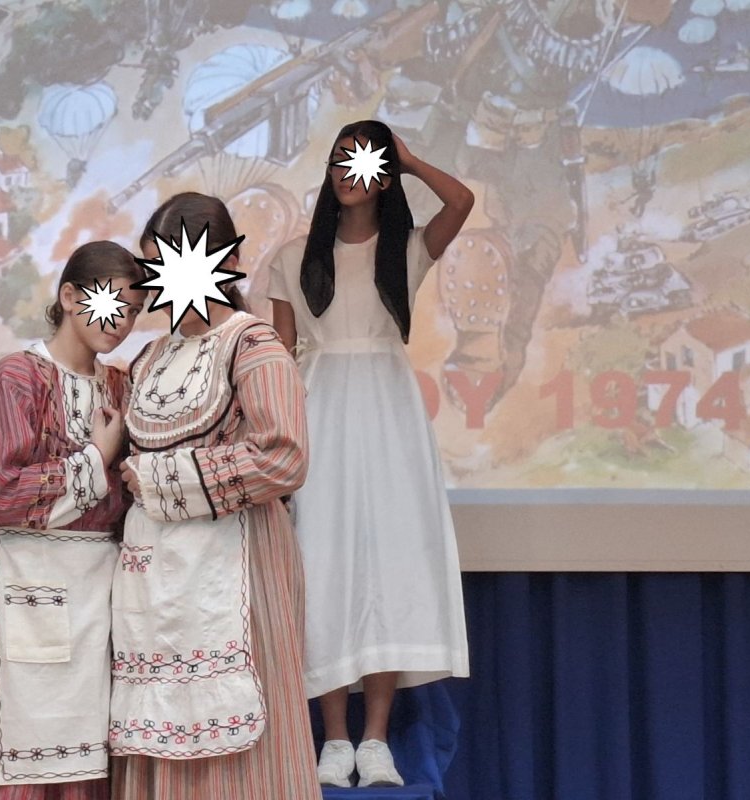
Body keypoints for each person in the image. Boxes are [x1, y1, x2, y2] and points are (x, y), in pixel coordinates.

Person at [268, 120, 473, 787]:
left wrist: (408, 159)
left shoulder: (406, 250)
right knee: (324, 562)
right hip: (320, 406)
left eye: (362, 162)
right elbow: (279, 357)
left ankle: (376, 738)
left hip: (389, 412)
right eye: (339, 160)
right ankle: (333, 738)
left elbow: (462, 201)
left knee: (386, 563)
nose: (346, 172)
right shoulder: (292, 257)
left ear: (383, 177)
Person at [109, 192, 321, 800]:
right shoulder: (150, 357)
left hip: (237, 567)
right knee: (162, 722)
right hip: (156, 582)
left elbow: (283, 456)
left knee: (237, 732)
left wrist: (164, 480)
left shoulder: (252, 346)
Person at [0, 241, 146, 800]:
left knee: (91, 763)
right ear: (68, 296)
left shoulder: (121, 387)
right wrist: (97, 457)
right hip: (28, 581)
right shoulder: (17, 378)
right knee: (17, 758)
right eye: (111, 303)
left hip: (102, 593)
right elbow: (4, 495)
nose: (121, 321)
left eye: (133, 310)